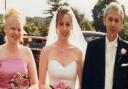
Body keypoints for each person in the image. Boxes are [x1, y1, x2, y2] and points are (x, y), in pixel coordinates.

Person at [81, 2, 128, 89]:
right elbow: (86, 81)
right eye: (110, 19)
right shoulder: (92, 47)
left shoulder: (127, 48)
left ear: (122, 24)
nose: (113, 24)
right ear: (104, 20)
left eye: (116, 20)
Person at [39, 6, 87, 89]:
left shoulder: (78, 53)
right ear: (56, 26)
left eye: (68, 24)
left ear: (72, 26)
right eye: (61, 24)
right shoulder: (46, 51)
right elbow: (41, 84)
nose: (64, 28)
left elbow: (81, 85)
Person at [0, 8, 38, 88]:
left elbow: (35, 83)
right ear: (5, 29)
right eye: (13, 28)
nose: (16, 32)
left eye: (19, 30)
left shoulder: (27, 52)